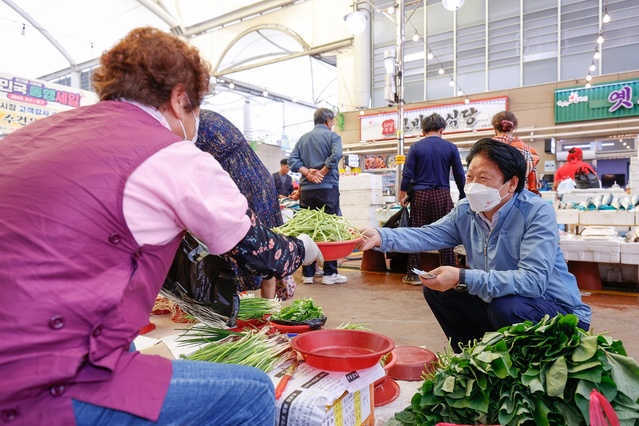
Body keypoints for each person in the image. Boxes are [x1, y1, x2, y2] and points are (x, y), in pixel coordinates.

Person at [0, 27, 322, 426]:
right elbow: (259, 253)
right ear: (179, 97)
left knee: (134, 355)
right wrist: (304, 248)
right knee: (253, 393)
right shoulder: (172, 155)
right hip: (38, 387)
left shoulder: (32, 136)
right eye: (195, 110)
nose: (196, 122)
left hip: (27, 352)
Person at [356, 138, 591, 351]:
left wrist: (463, 276)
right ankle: (475, 357)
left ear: (511, 184)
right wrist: (381, 236)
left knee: (506, 307)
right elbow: (428, 234)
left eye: (484, 178)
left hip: (557, 310)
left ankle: (521, 365)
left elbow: (533, 282)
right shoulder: (466, 210)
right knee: (438, 291)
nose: (474, 185)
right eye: (470, 177)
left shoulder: (536, 212)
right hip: (499, 302)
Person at [195, 109, 296, 300]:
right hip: (257, 180)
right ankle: (268, 309)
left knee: (253, 245)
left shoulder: (191, 123)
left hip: (242, 184)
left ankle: (260, 309)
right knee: (266, 244)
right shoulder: (206, 117)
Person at [399, 113, 466, 285]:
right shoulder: (450, 147)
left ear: (423, 130)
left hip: (420, 195)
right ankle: (448, 275)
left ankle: (413, 274)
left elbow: (408, 173)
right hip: (442, 194)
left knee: (417, 234)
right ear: (442, 130)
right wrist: (463, 194)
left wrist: (402, 192)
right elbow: (459, 173)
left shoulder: (416, 147)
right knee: (446, 233)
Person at [288, 107, 347, 285]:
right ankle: (329, 274)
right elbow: (336, 155)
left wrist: (308, 173)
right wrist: (321, 173)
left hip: (306, 192)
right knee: (328, 230)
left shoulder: (303, 138)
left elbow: (292, 160)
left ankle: (308, 274)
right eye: (333, 121)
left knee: (308, 230)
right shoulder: (332, 137)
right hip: (327, 189)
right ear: (328, 121)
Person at [491, 111, 541, 195]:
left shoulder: (484, 149)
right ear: (513, 128)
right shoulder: (529, 152)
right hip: (518, 200)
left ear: (494, 128)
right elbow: (533, 187)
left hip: (490, 200)